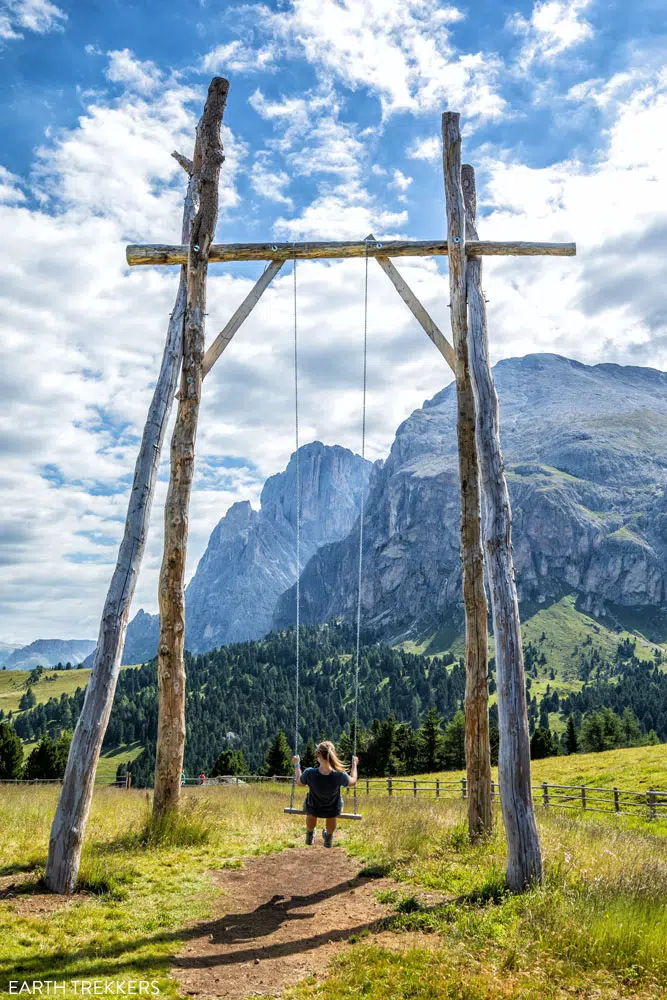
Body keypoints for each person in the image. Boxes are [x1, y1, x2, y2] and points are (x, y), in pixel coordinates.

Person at [292, 740, 358, 847]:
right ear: (333, 754)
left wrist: (297, 764)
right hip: (332, 808)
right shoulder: (340, 775)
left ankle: (309, 833)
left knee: (311, 807)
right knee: (332, 812)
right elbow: (353, 781)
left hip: (314, 807)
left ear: (318, 755)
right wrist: (354, 765)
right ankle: (328, 837)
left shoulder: (310, 773)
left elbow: (299, 782)